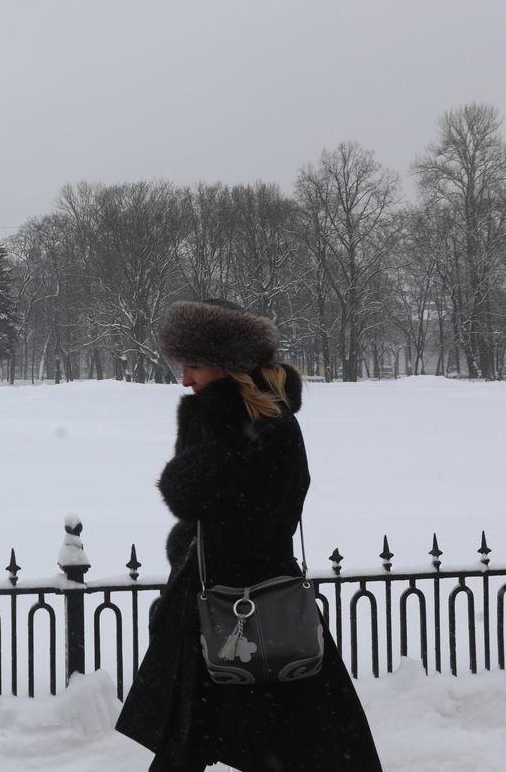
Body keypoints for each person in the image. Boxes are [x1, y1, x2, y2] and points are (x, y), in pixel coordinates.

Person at [115, 299, 382, 771]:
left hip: (248, 609)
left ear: (230, 365)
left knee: (283, 741)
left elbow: (243, 517)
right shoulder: (238, 423)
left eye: (194, 366)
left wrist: (210, 441)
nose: (185, 381)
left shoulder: (264, 428)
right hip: (220, 608)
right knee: (225, 739)